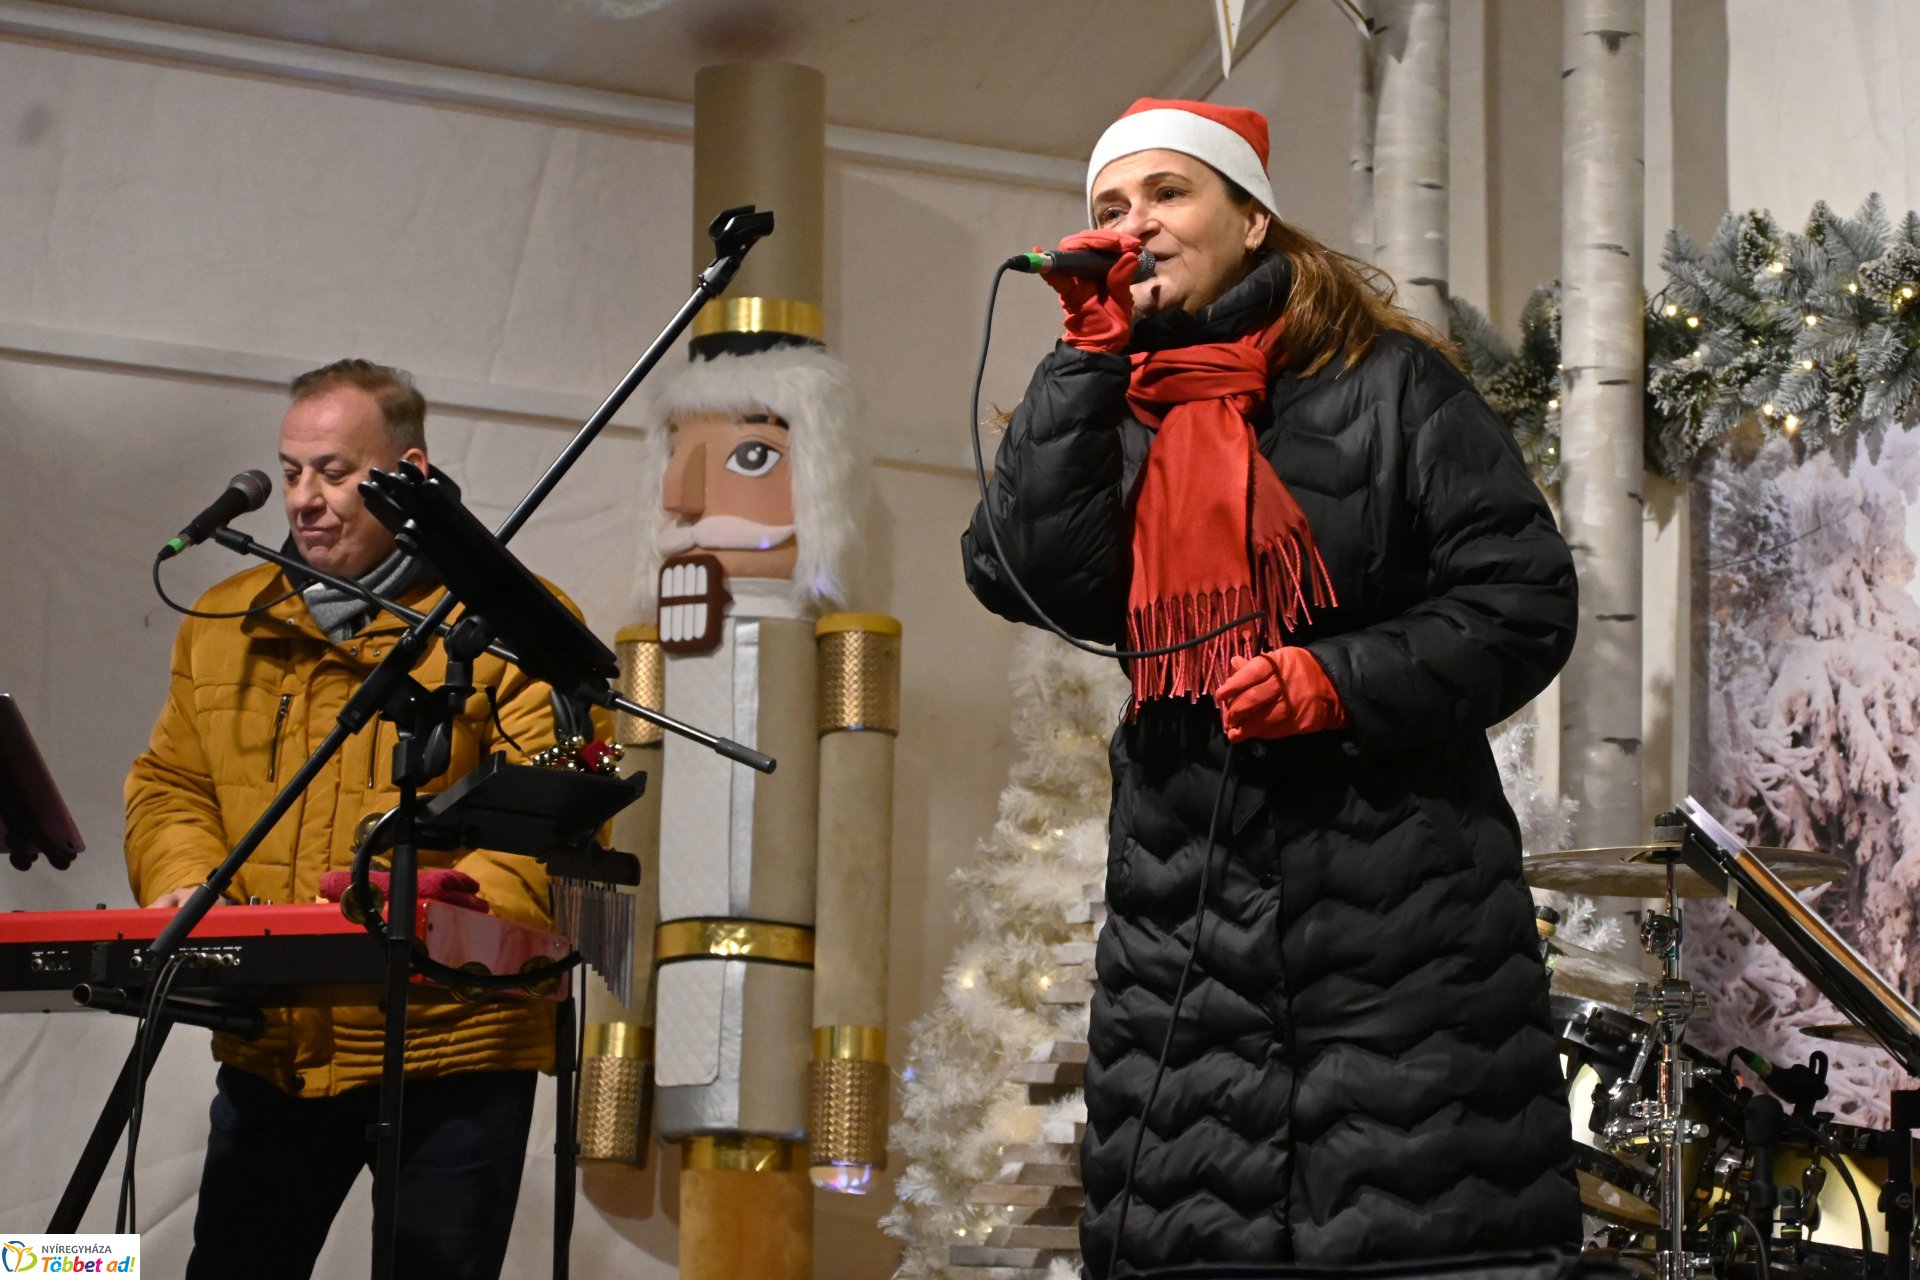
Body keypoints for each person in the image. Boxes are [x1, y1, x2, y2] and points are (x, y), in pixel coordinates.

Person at [962, 99, 1581, 1274]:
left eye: (1167, 194)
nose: (1132, 223)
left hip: (1407, 943)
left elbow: (1523, 601)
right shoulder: (1113, 409)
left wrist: (1331, 679)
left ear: (1250, 218)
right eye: (1108, 205)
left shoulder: (1390, 385)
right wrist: (1084, 357)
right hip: (1184, 946)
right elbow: (1024, 570)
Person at [126, 359, 589, 1280]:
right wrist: (186, 884)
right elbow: (171, 784)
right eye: (292, 471)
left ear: (407, 475)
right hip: (279, 1044)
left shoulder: (514, 627)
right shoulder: (222, 622)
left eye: (334, 472)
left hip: (454, 1044)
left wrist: (437, 906)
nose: (305, 497)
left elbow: (557, 822)